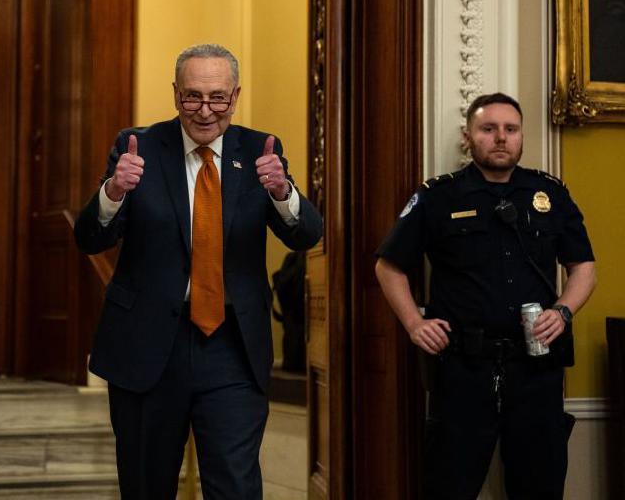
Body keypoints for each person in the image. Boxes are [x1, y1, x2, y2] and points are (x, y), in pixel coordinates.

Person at [74, 43, 323, 499]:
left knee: (235, 485)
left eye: (217, 97)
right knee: (146, 485)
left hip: (231, 347)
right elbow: (91, 238)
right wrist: (113, 190)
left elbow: (306, 235)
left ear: (235, 95)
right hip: (147, 345)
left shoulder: (259, 150)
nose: (205, 111)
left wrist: (283, 191)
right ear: (175, 94)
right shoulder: (139, 147)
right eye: (193, 97)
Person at [374, 92, 596, 499]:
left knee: (540, 486)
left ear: (521, 137)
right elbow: (388, 267)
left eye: (510, 130)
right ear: (468, 137)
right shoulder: (438, 197)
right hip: (462, 368)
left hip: (536, 369)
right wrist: (414, 323)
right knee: (449, 485)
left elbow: (583, 266)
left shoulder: (549, 195)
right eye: (488, 128)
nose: (500, 138)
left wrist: (563, 311)